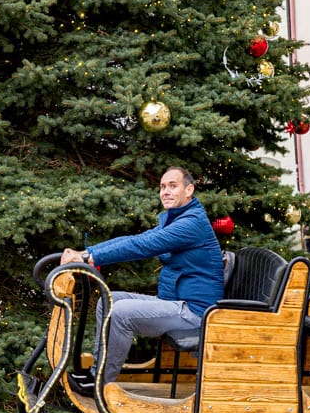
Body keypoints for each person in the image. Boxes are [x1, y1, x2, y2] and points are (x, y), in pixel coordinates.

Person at [60, 166, 223, 396]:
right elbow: (138, 238)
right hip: (176, 302)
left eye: (172, 186)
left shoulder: (191, 223)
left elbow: (143, 246)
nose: (165, 191)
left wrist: (88, 257)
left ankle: (99, 382)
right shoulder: (176, 219)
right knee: (109, 300)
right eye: (162, 187)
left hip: (196, 313)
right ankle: (97, 372)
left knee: (120, 313)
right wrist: (87, 253)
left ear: (189, 190)